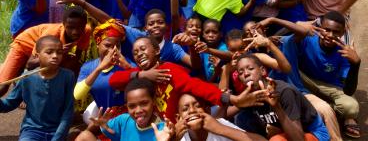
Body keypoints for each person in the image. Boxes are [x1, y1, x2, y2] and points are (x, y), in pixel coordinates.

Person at [109, 36, 271, 123]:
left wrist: (232, 99)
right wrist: (142, 75)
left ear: (157, 51)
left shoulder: (169, 70)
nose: (139, 54)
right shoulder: (139, 73)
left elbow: (195, 86)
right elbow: (114, 80)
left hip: (183, 126)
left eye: (143, 49)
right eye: (135, 53)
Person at [295, 11, 361, 138]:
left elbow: (349, 90)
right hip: (306, 80)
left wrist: (356, 64)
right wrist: (297, 25)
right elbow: (281, 42)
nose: (330, 35)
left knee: (351, 108)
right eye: (326, 29)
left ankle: (325, 109)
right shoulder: (307, 39)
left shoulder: (345, 52)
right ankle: (330, 112)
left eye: (336, 32)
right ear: (320, 28)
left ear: (342, 33)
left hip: (331, 86)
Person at [235, 53, 330, 141]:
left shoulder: (284, 92)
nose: (246, 74)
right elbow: (221, 119)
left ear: (263, 71)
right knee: (241, 118)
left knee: (276, 140)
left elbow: (299, 139)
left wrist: (277, 107)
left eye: (250, 69)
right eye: (240, 72)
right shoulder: (250, 96)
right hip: (285, 131)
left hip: (311, 132)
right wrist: (238, 101)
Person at [0, 5, 90, 96]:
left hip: (47, 52)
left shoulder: (86, 31)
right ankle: (24, 91)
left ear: (85, 24)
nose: (75, 32)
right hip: (23, 45)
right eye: (70, 28)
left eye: (79, 28)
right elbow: (30, 64)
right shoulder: (51, 34)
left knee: (75, 67)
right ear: (63, 24)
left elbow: (76, 59)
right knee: (3, 86)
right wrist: (57, 52)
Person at [0, 35, 74, 141]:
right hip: (32, 131)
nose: (55, 56)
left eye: (59, 52)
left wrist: (58, 137)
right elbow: (9, 104)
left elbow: (68, 111)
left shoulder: (68, 76)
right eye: (49, 52)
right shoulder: (27, 77)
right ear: (37, 55)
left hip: (57, 131)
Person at [76, 78, 169, 141]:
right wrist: (99, 125)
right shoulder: (124, 120)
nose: (138, 110)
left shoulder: (162, 131)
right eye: (132, 106)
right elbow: (100, 130)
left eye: (144, 103)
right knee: (84, 136)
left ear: (153, 101)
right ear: (127, 107)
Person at [176, 93, 266, 141]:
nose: (192, 111)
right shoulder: (179, 138)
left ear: (207, 111)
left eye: (198, 106)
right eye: (185, 109)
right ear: (178, 118)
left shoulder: (219, 124)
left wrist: (220, 129)